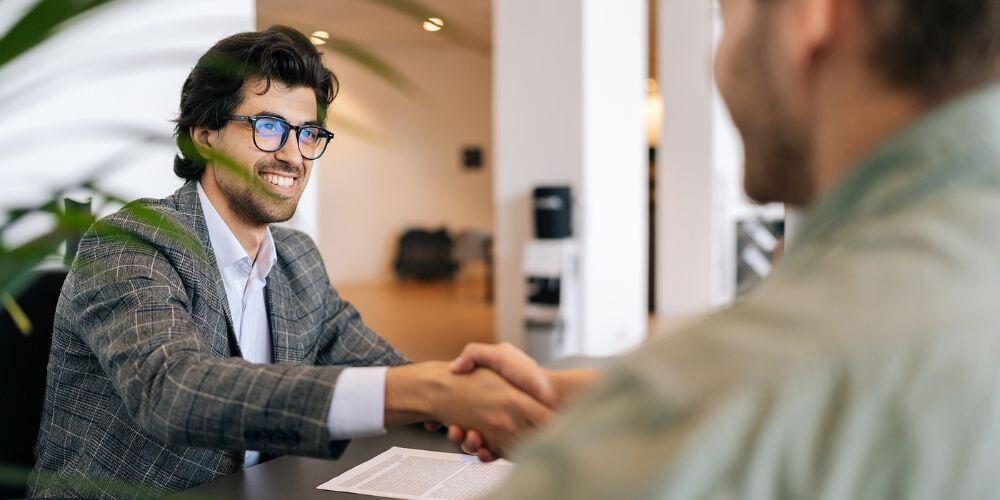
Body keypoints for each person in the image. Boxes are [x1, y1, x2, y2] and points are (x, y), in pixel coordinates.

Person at [453, 0, 1000, 497]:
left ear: (810, 15)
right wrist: (567, 393)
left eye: (726, 14)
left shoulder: (705, 409)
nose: (717, 62)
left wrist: (623, 427)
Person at [29, 26, 550, 498]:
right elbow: (174, 390)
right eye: (270, 127)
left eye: (308, 134)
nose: (293, 156)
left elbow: (382, 368)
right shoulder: (131, 243)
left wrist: (477, 395)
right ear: (204, 134)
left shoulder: (297, 260)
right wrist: (426, 391)